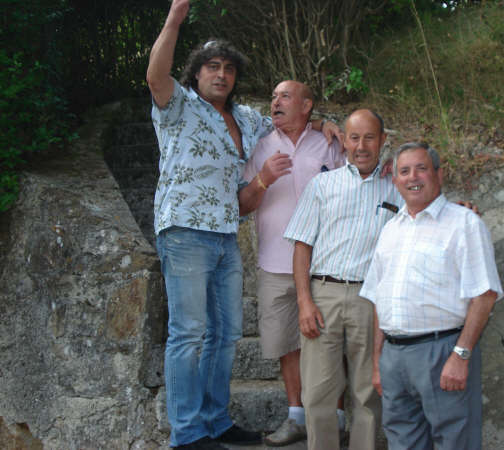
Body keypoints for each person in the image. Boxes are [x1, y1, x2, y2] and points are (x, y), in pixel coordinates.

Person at [146, 1, 340, 448]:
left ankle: (216, 420)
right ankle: (187, 432)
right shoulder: (178, 106)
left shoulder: (249, 120)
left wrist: (325, 122)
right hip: (184, 233)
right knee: (188, 334)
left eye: (229, 69)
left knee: (227, 333)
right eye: (212, 67)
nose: (221, 75)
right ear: (196, 74)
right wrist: (175, 18)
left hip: (225, 236)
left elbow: (291, 120)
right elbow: (156, 76)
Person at [360, 142, 504, 450]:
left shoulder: (464, 223)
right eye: (404, 171)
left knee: (455, 442)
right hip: (394, 358)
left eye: (421, 169)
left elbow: (485, 295)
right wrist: (378, 362)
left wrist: (460, 355)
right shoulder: (390, 230)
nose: (412, 177)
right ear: (395, 180)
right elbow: (378, 300)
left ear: (438, 174)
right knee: (402, 442)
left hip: (442, 352)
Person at [283, 109, 404, 450]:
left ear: (382, 141)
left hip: (371, 300)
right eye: (354, 138)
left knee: (368, 390)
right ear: (344, 142)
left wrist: (463, 207)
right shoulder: (323, 185)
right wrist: (304, 302)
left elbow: (429, 208)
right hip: (324, 296)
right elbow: (302, 246)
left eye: (369, 138)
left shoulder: (397, 189)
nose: (361, 146)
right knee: (318, 390)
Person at [239, 80, 347, 446]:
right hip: (274, 263)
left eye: (285, 96)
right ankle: (297, 417)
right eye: (273, 96)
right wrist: (263, 179)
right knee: (287, 343)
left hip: (325, 263)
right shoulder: (260, 146)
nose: (276, 102)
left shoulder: (329, 143)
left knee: (330, 342)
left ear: (306, 105)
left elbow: (357, 184)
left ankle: (337, 419)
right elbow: (242, 205)